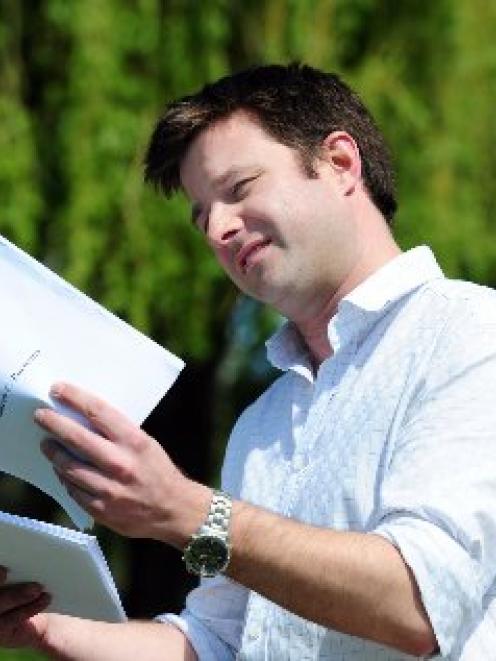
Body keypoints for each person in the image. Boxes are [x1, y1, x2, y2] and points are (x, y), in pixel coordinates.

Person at [1, 63, 496, 660]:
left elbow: (417, 602)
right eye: (202, 214)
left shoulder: (469, 333)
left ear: (340, 163)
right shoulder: (261, 425)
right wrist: (38, 625)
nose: (218, 228)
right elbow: (218, 643)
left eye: (238, 189)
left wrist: (183, 509)